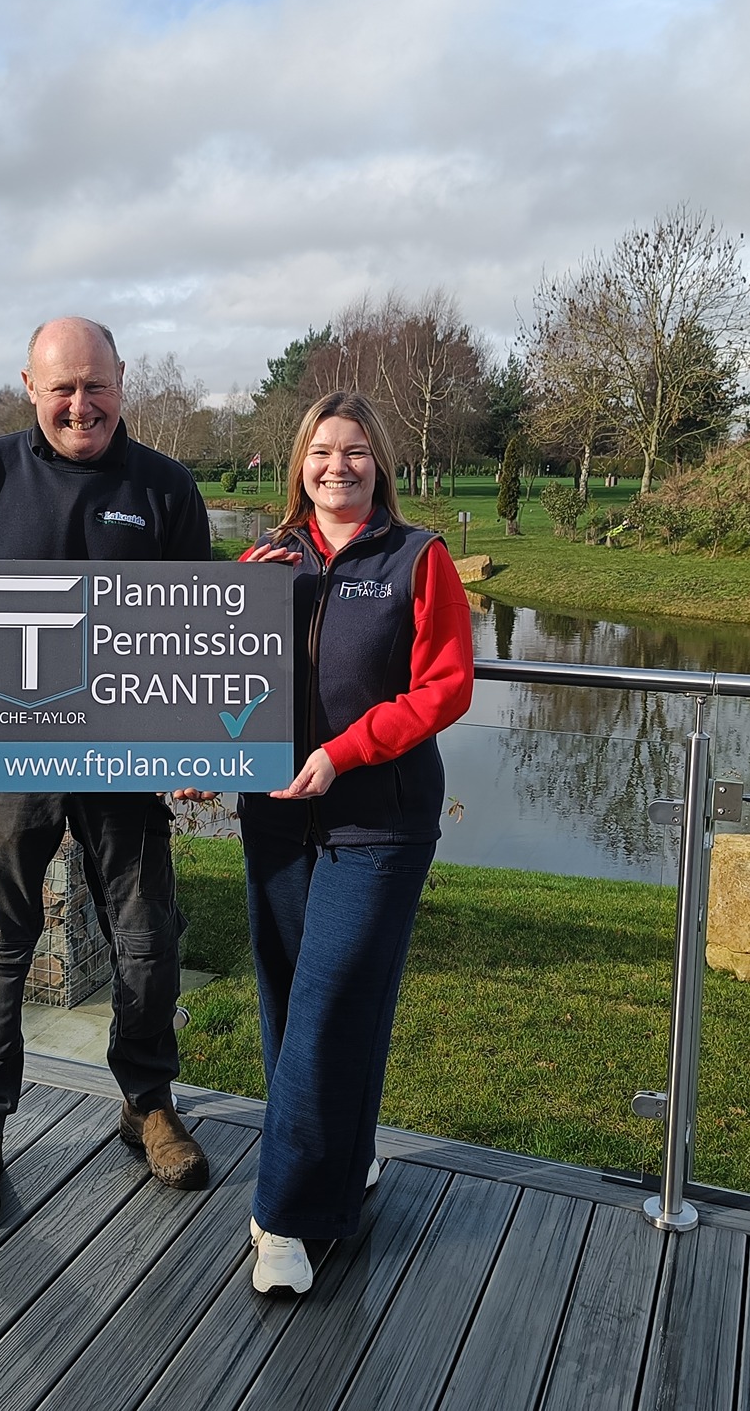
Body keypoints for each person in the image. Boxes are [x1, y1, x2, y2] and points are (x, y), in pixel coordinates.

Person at [0, 316, 214, 1228]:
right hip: (12, 750)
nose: (80, 405)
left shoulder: (164, 488)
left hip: (123, 761)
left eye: (97, 385)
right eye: (61, 388)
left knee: (147, 940)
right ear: (29, 387)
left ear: (124, 381)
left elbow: (192, 639)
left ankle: (147, 1102)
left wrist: (197, 737)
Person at [234, 390, 473, 1294]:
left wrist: (345, 751)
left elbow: (445, 687)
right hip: (277, 816)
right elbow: (219, 676)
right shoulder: (262, 561)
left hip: (380, 819)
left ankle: (285, 1217)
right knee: (290, 1004)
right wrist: (198, 751)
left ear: (382, 467)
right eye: (322, 451)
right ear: (299, 462)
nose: (339, 466)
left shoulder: (420, 558)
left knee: (331, 1009)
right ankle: (345, 1158)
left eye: (358, 452)